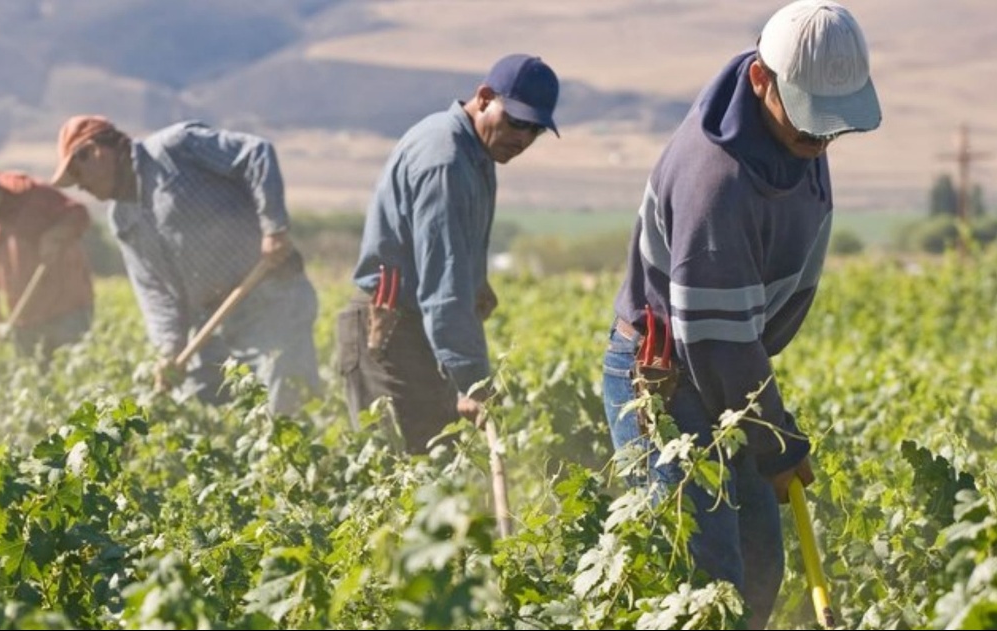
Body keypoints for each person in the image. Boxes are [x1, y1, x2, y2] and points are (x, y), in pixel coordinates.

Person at [601, 0, 881, 625]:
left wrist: (769, 434)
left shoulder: (789, 128)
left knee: (759, 566)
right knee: (708, 580)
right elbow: (718, 343)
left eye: (833, 125)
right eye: (811, 123)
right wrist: (777, 445)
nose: (821, 140)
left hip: (729, 370)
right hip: (667, 379)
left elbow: (733, 342)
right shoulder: (716, 181)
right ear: (761, 80)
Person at [336, 53, 560, 454]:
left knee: (435, 476)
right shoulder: (446, 160)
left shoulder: (477, 151)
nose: (523, 139)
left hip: (418, 330)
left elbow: (454, 261)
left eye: (536, 131)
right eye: (517, 122)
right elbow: (444, 287)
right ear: (485, 97)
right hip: (388, 331)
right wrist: (474, 383)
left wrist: (479, 284)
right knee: (406, 481)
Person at [49, 115, 320, 415]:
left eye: (77, 171)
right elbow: (154, 290)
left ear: (95, 151)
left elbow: (255, 153)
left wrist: (274, 229)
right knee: (197, 410)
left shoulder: (175, 149)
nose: (80, 186)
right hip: (211, 320)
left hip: (267, 296)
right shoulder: (122, 219)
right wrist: (170, 350)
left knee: (286, 408)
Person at [0, 167, 95, 361]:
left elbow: (79, 215)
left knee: (74, 372)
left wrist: (55, 236)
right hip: (24, 319)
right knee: (35, 381)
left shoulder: (35, 196)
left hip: (68, 308)